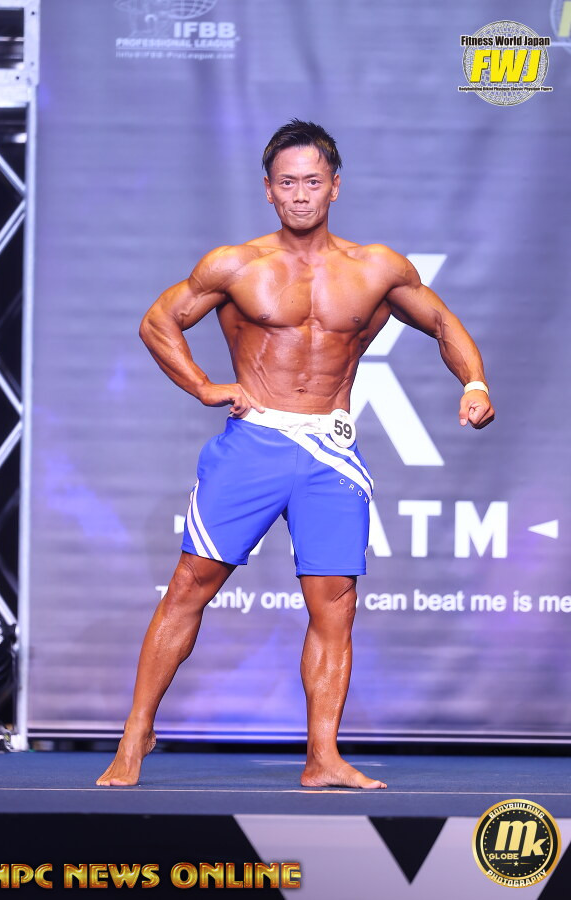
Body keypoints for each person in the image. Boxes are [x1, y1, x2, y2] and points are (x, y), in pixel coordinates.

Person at [97, 119, 494, 790]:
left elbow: (440, 322)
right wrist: (204, 386)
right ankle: (135, 735)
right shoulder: (237, 265)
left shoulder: (377, 268)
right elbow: (158, 321)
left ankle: (323, 757)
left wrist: (475, 382)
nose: (300, 194)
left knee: (335, 604)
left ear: (335, 186)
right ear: (268, 190)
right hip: (254, 440)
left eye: (313, 181)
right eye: (287, 183)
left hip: (330, 451)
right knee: (191, 585)